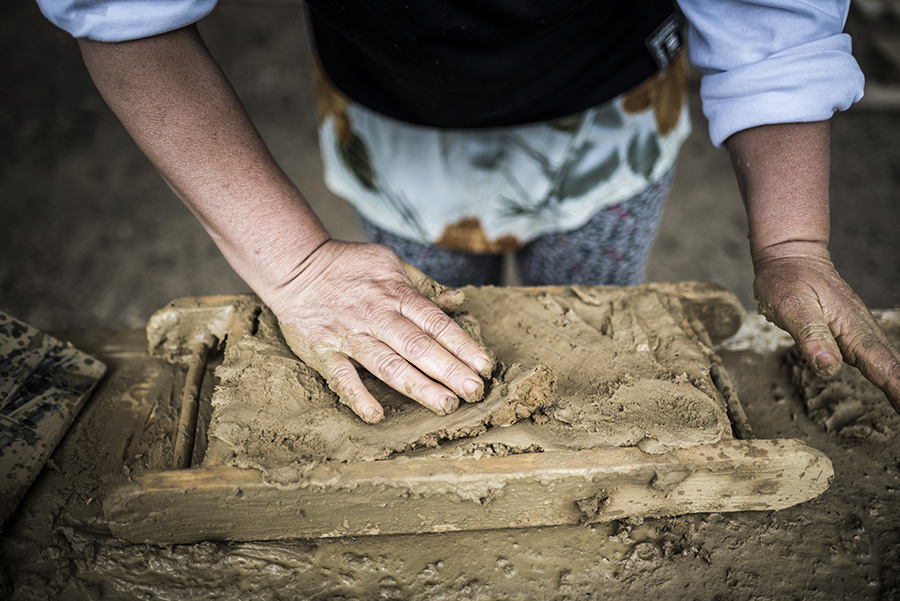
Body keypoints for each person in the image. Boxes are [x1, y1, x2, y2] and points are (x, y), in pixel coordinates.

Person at [36, 0, 900, 424]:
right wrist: (297, 265)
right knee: (421, 324)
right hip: (400, 125)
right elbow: (122, 14)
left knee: (594, 310)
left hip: (612, 117)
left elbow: (772, 19)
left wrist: (792, 239)